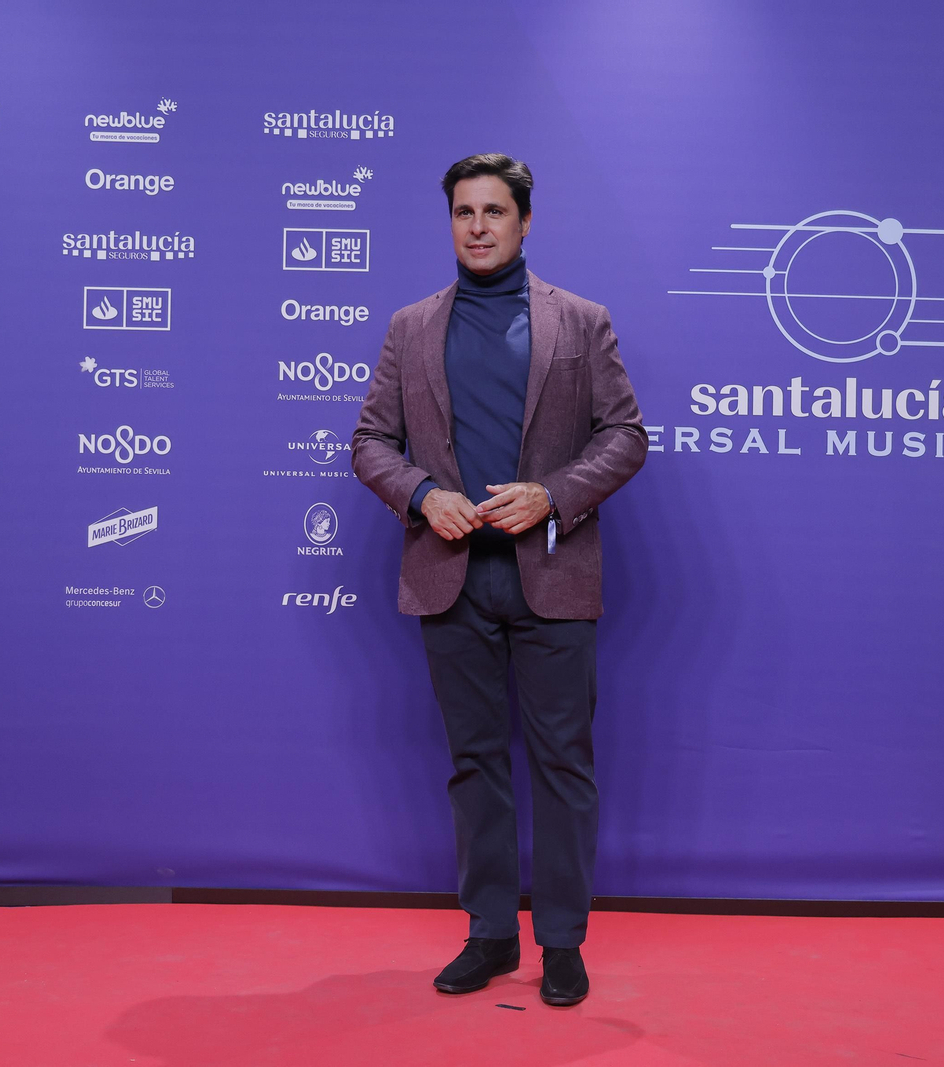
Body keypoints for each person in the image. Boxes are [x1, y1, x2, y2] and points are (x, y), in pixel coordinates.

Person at [352, 153, 647, 1006]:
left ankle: (561, 941)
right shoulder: (411, 326)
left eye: (493, 211)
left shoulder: (581, 321)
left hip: (553, 575)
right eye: (463, 212)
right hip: (451, 581)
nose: (477, 227)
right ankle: (488, 931)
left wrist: (552, 494)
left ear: (525, 221)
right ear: (449, 222)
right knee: (473, 762)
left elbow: (625, 436)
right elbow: (371, 441)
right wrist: (421, 494)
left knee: (563, 765)